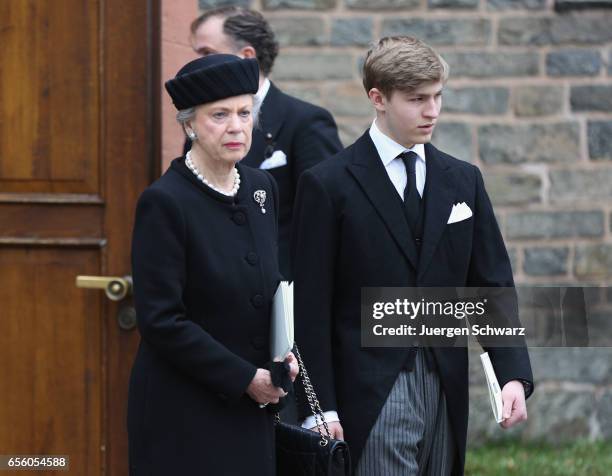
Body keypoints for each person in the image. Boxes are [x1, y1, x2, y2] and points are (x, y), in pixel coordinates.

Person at [291, 36, 534, 475]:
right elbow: (310, 306)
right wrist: (319, 407)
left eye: (438, 96)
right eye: (417, 99)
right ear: (377, 98)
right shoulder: (327, 184)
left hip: (445, 380)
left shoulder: (463, 180)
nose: (432, 111)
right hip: (369, 388)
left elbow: (490, 283)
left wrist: (511, 373)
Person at [127, 54, 298, 475]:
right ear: (189, 125)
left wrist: (286, 355)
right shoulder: (165, 202)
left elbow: (269, 289)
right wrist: (244, 378)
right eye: (219, 115)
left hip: (253, 409)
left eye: (245, 112)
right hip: (184, 411)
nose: (237, 126)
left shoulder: (261, 188)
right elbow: (162, 320)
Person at [188, 6, 343, 279]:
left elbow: (326, 221)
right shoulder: (199, 122)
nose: (196, 64)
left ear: (247, 56)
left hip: (282, 294)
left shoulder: (306, 122)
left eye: (207, 53)